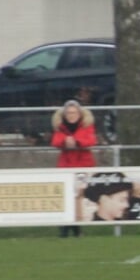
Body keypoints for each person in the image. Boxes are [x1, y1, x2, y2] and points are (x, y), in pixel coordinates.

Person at [50, 100, 96, 237]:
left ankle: (77, 228)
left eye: (74, 112)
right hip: (65, 166)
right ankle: (65, 228)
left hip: (84, 165)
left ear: (80, 113)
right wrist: (65, 141)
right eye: (69, 113)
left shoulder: (87, 126)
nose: (72, 115)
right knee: (66, 197)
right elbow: (55, 141)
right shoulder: (60, 127)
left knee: (79, 197)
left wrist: (76, 142)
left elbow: (91, 141)